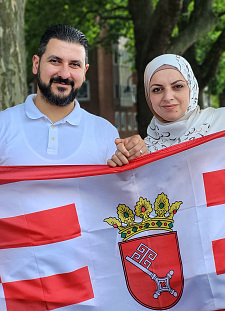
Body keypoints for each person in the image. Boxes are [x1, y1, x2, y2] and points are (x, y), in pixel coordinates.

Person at [0, 24, 144, 166]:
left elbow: (123, 186)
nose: (64, 74)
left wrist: (136, 158)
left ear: (84, 72)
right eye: (55, 61)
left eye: (74, 64)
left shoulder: (105, 133)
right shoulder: (3, 125)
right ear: (36, 64)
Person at [108, 53, 225, 166]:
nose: (168, 97)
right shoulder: (142, 152)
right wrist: (125, 167)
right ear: (148, 97)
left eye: (178, 86)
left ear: (192, 88)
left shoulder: (221, 123)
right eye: (157, 89)